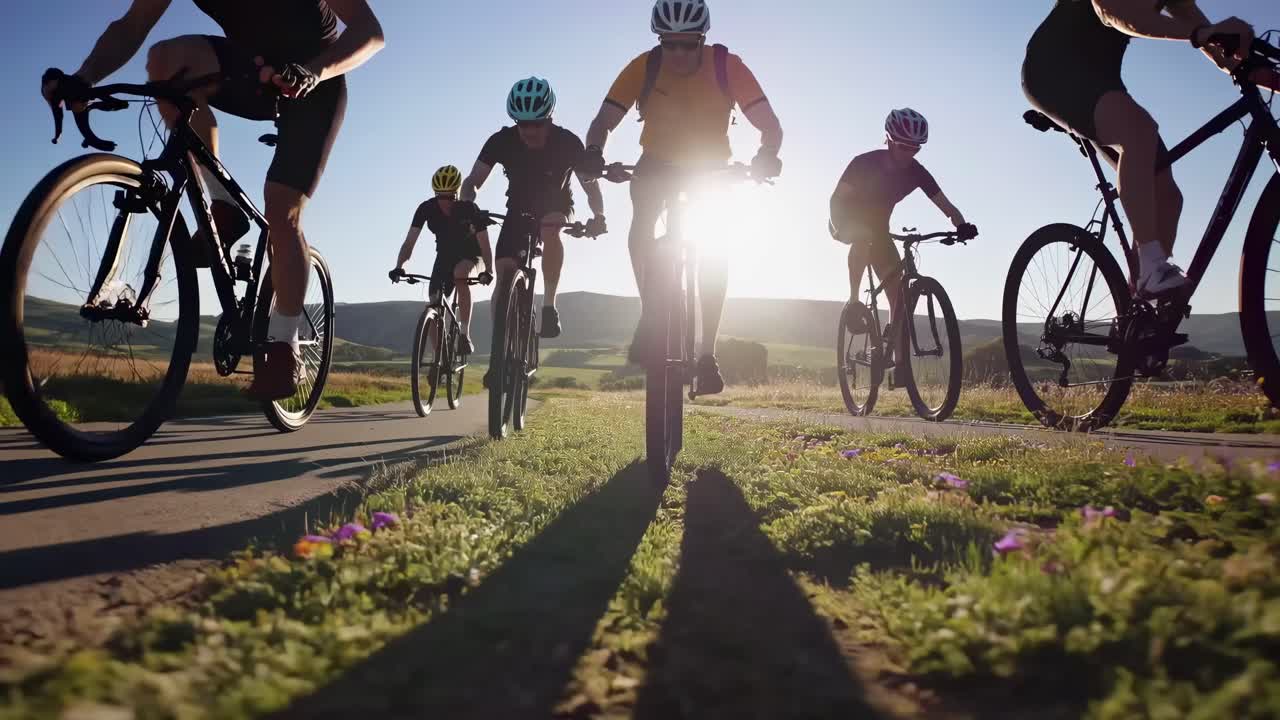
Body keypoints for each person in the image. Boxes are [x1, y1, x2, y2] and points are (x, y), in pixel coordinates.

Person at [41, 0, 385, 401]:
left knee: (280, 210)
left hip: (318, 81)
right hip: (253, 71)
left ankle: (284, 343)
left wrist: (314, 71)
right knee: (164, 63)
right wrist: (83, 78)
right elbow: (131, 26)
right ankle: (223, 205)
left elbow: (370, 30)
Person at [581, 0, 783, 395]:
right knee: (642, 215)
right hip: (657, 161)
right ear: (660, 41)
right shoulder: (644, 65)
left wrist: (766, 156)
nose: (676, 53)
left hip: (711, 164)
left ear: (701, 40)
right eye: (668, 43)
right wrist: (593, 151)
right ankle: (651, 314)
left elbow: (770, 126)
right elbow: (603, 121)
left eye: (686, 44)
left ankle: (707, 355)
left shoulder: (728, 66)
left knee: (714, 247)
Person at [1022, 0, 1255, 298]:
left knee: (1168, 198)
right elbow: (1119, 16)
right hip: (1052, 71)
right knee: (1140, 131)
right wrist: (1203, 33)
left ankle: (1140, 303)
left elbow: (1215, 45)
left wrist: (1252, 68)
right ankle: (1151, 264)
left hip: (1102, 80)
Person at [460, 77, 607, 341]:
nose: (529, 131)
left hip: (557, 203)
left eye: (536, 124)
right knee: (504, 271)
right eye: (523, 124)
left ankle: (549, 306)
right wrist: (466, 204)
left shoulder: (567, 142)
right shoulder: (501, 141)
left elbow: (590, 185)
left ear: (549, 118)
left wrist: (599, 216)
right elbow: (472, 181)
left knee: (551, 227)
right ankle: (500, 351)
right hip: (518, 206)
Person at [828, 109, 975, 330]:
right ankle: (854, 302)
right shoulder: (864, 163)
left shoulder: (917, 172)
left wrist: (962, 225)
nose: (909, 153)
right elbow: (837, 199)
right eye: (903, 146)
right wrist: (843, 227)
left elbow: (946, 206)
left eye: (915, 148)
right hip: (844, 217)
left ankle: (897, 358)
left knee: (899, 294)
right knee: (862, 238)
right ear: (888, 140)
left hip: (879, 231)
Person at [390, 165, 494, 354]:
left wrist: (489, 269)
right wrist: (399, 266)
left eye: (449, 197)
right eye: (440, 196)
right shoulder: (426, 208)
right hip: (444, 254)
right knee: (432, 304)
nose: (444, 201)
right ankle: (440, 358)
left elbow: (485, 244)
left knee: (460, 274)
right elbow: (409, 243)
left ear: (456, 193)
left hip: (470, 253)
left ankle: (464, 334)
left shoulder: (469, 208)